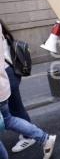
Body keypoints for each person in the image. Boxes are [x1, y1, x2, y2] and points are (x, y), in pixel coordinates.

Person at [0, 20, 56, 159]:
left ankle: (30, 137)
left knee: (14, 112)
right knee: (11, 116)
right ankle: (38, 137)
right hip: (7, 75)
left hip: (7, 75)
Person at [1, 20, 36, 152]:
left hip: (8, 73)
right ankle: (29, 132)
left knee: (15, 108)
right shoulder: (2, 30)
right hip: (10, 72)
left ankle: (30, 136)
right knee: (14, 107)